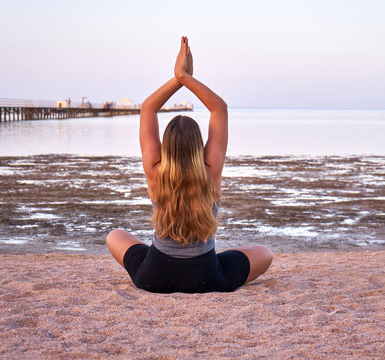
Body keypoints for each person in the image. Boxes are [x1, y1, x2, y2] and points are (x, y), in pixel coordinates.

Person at [106, 37, 273, 293]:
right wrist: (186, 77)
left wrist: (177, 78)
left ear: (166, 145)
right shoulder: (210, 171)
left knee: (114, 236)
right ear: (199, 145)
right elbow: (219, 109)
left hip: (155, 276)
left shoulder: (155, 171)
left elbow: (148, 109)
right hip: (206, 276)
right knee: (264, 253)